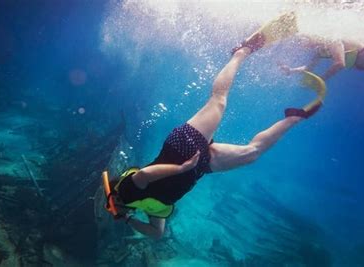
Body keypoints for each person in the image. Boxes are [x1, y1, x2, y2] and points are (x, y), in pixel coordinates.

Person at [106, 13, 321, 239]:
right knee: (251, 154)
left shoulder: (125, 191)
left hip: (183, 148)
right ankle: (295, 118)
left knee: (218, 99)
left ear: (114, 199)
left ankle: (241, 52)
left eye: (111, 208)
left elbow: (145, 175)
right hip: (197, 167)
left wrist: (181, 168)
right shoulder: (143, 207)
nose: (113, 212)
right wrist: (129, 219)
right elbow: (157, 234)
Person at [280, 35, 364, 80]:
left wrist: (322, 79)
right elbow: (308, 68)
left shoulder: (331, 40)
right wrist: (291, 70)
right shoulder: (320, 51)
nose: (304, 45)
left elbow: (340, 63)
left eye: (304, 41)